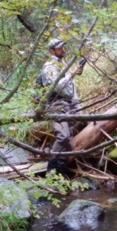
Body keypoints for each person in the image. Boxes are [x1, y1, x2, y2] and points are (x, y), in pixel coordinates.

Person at [37, 39, 84, 177]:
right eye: (59, 48)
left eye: (63, 47)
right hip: (55, 105)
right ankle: (51, 169)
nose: (63, 49)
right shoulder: (49, 67)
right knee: (63, 137)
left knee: (68, 139)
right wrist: (72, 74)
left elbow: (70, 88)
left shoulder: (63, 64)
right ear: (52, 51)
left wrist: (77, 105)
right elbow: (56, 87)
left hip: (68, 105)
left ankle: (61, 171)